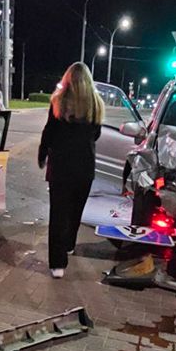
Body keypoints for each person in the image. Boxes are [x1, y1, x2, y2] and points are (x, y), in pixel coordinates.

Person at [37, 62, 105, 279]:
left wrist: (43, 153)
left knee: (58, 214)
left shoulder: (58, 101)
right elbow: (96, 134)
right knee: (76, 210)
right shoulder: (96, 103)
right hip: (85, 167)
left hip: (61, 167)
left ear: (67, 79)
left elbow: (49, 131)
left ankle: (58, 264)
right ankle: (68, 245)